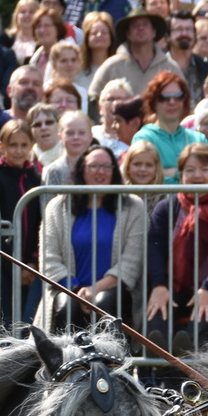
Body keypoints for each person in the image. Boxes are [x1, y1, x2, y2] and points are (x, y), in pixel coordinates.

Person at [145, 143, 208, 354]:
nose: (197, 175)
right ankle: (158, 357)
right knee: (159, 305)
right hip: (178, 286)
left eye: (205, 169)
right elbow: (154, 248)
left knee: (206, 307)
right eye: (190, 170)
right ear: (181, 175)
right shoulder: (166, 207)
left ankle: (185, 353)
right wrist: (159, 285)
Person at [35, 144, 147, 335]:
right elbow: (49, 260)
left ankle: (109, 364)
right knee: (66, 305)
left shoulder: (133, 207)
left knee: (104, 304)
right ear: (81, 170)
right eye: (93, 166)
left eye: (106, 167)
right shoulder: (57, 207)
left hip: (115, 291)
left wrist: (94, 290)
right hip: (69, 290)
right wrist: (78, 291)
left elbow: (131, 263)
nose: (100, 172)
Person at [0, 119, 42, 326]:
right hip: (2, 263)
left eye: (24, 145)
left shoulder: (34, 177)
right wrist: (16, 266)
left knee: (27, 320)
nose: (18, 151)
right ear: (2, 147)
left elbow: (39, 223)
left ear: (31, 146)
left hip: (29, 265)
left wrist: (32, 262)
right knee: (5, 321)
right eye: (13, 145)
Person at [87, 8, 180, 105]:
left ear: (154, 32)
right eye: (135, 25)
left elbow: (186, 100)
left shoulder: (170, 68)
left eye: (145, 24)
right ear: (128, 33)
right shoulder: (111, 66)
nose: (140, 28)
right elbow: (93, 99)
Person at [131, 71, 207, 182]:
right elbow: (143, 176)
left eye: (178, 97)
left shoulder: (199, 139)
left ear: (184, 101)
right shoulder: (144, 139)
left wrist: (168, 172)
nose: (172, 102)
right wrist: (185, 174)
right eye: (164, 98)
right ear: (153, 102)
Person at [41, 109, 94, 185]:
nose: (76, 137)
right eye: (70, 133)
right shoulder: (54, 170)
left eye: (82, 133)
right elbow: (48, 196)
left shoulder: (100, 168)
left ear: (90, 136)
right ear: (60, 136)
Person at [28, 103, 63, 168]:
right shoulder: (25, 161)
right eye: (37, 125)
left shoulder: (72, 154)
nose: (43, 128)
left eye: (49, 122)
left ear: (59, 125)